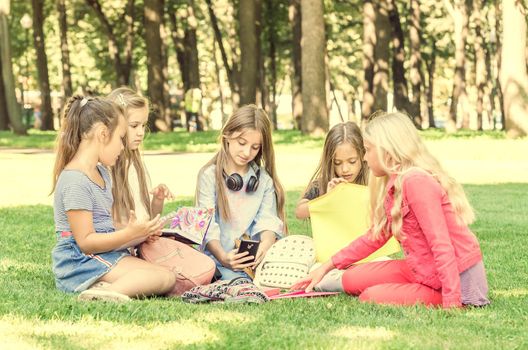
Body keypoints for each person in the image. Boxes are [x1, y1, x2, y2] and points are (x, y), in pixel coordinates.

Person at [292, 112, 490, 308]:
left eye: (368, 150)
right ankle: (321, 279)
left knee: (370, 296)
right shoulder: (395, 183)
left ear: (386, 151)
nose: (366, 159)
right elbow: (375, 237)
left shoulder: (416, 181)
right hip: (425, 269)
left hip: (458, 281)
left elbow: (442, 245)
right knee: (351, 279)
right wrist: (327, 267)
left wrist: (452, 301)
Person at [50, 95, 175, 302]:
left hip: (101, 255)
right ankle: (104, 293)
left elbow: (105, 229)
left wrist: (140, 234)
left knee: (166, 276)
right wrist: (128, 234)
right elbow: (86, 242)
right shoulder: (75, 181)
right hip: (79, 262)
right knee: (161, 276)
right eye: (120, 138)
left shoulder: (102, 173)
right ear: (102, 134)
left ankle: (103, 285)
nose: (123, 147)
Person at [195, 104, 286, 280]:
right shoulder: (209, 176)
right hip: (217, 258)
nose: (246, 152)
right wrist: (223, 257)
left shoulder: (263, 180)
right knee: (227, 277)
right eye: (241, 143)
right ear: (227, 135)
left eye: (255, 147)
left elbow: (267, 221)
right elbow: (207, 227)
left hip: (252, 263)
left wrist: (265, 246)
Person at [107, 87, 174, 227]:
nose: (141, 132)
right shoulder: (106, 168)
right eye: (134, 126)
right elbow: (111, 225)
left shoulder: (135, 163)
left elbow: (148, 215)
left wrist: (157, 200)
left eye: (143, 125)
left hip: (141, 240)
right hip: (123, 245)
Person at [295, 121, 369, 219]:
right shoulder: (322, 184)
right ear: (329, 161)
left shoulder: (373, 182)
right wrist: (328, 198)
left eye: (352, 161)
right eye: (337, 163)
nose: (345, 169)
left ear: (363, 155)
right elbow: (299, 212)